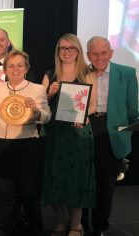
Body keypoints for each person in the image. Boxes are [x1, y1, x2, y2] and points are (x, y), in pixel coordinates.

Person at [0, 50, 50, 236]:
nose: (15, 69)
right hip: (1, 143)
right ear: (5, 69)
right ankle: (9, 226)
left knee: (28, 191)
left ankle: (35, 229)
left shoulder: (37, 89)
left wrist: (35, 110)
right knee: (4, 191)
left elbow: (46, 117)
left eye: (20, 65)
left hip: (27, 144)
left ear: (26, 68)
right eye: (11, 65)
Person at [40, 33, 97, 236]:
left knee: (77, 178)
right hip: (55, 133)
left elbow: (92, 105)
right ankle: (59, 221)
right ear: (58, 51)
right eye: (62, 48)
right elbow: (41, 105)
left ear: (78, 51)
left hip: (78, 133)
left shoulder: (87, 73)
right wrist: (50, 94)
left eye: (70, 48)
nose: (66, 52)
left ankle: (76, 225)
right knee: (55, 177)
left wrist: (82, 116)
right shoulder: (49, 74)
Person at [85, 36, 138, 236]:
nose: (99, 57)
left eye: (103, 53)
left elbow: (133, 111)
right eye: (95, 53)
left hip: (113, 133)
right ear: (88, 55)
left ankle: (100, 227)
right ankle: (80, 223)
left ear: (111, 53)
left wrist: (129, 131)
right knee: (84, 180)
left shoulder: (127, 73)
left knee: (105, 184)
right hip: (86, 128)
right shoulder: (81, 73)